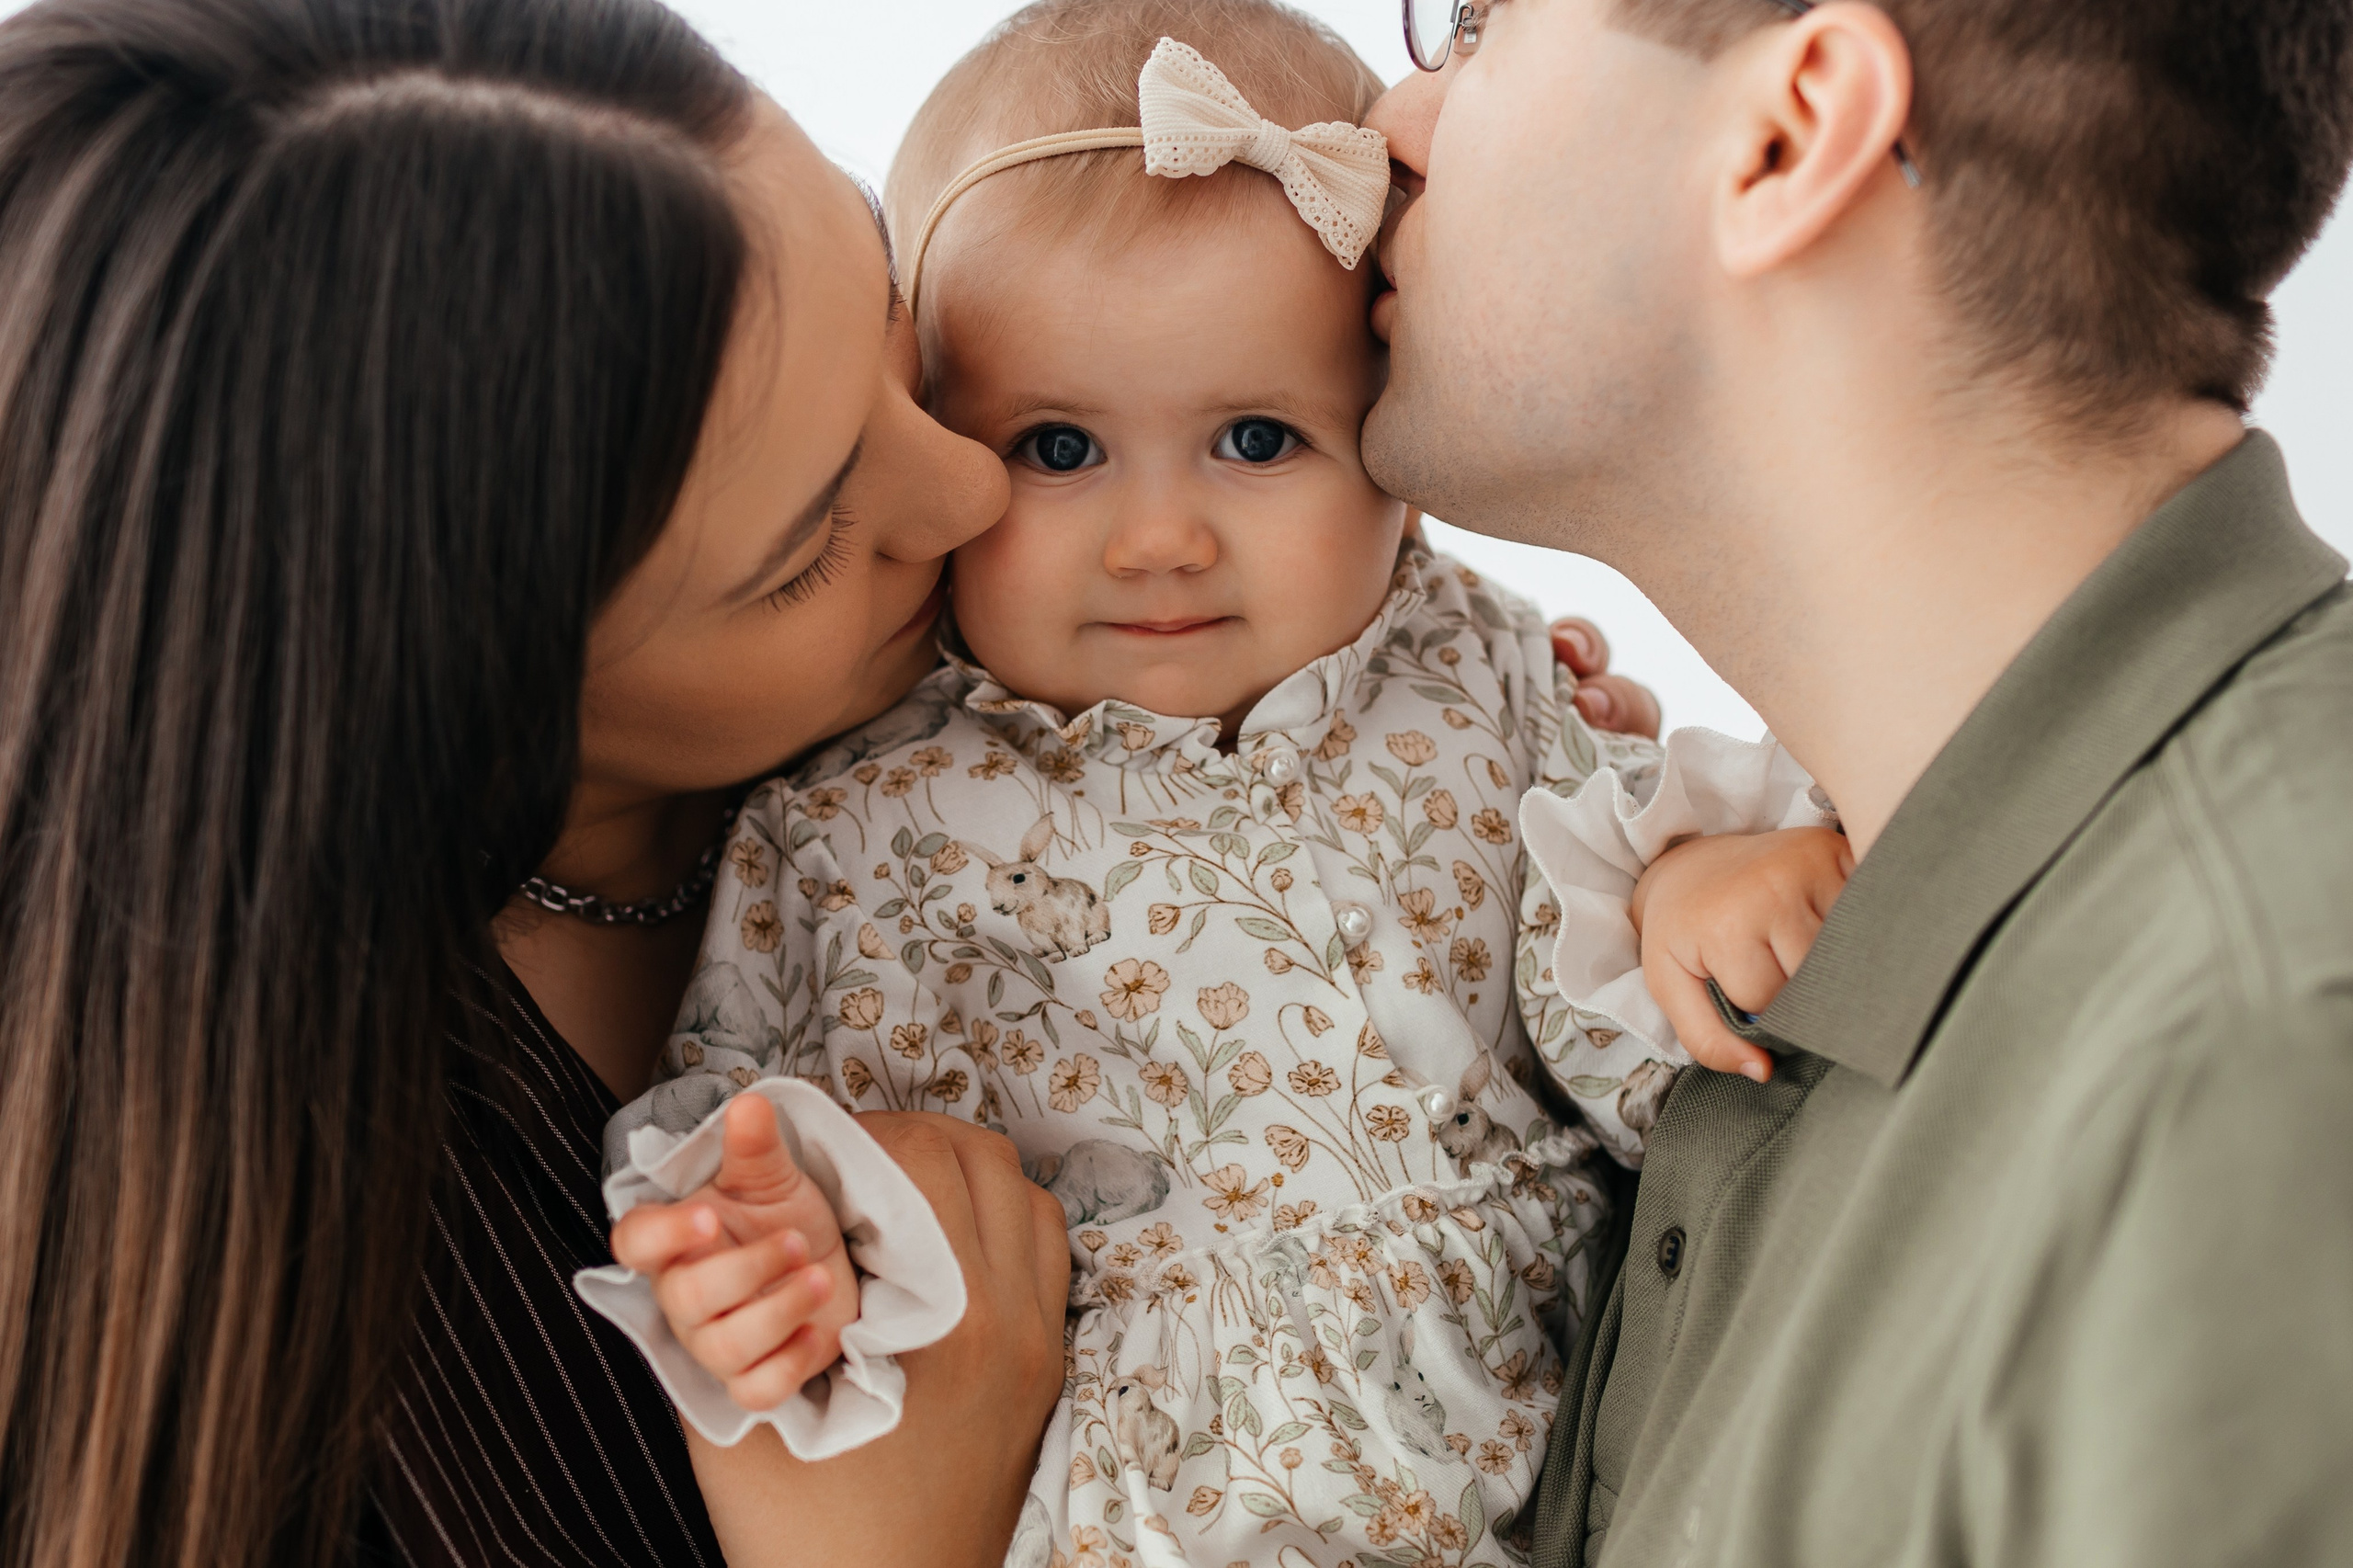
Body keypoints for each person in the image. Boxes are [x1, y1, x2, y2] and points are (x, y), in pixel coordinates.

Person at [0, 0, 1656, 1561]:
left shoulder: (1093, 697)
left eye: (894, 336)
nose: (963, 490)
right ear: (469, 709)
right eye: (806, 547)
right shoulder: (302, 1322)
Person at [585, 7, 1847, 1565]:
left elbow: (1628, 1050)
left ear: (1394, 439)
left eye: (1257, 438)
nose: (1159, 537)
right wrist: (761, 1252)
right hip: (1107, 1509)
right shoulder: (845, 811)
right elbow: (744, 1106)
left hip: (1537, 1477)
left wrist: (1681, 895)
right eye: (1057, 448)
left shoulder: (1486, 682)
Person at [1360, 1, 2353, 1565]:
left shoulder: (2270, 1060)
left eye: (1476, 26)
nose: (1388, 125)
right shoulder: (1711, 957)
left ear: (1789, 130)